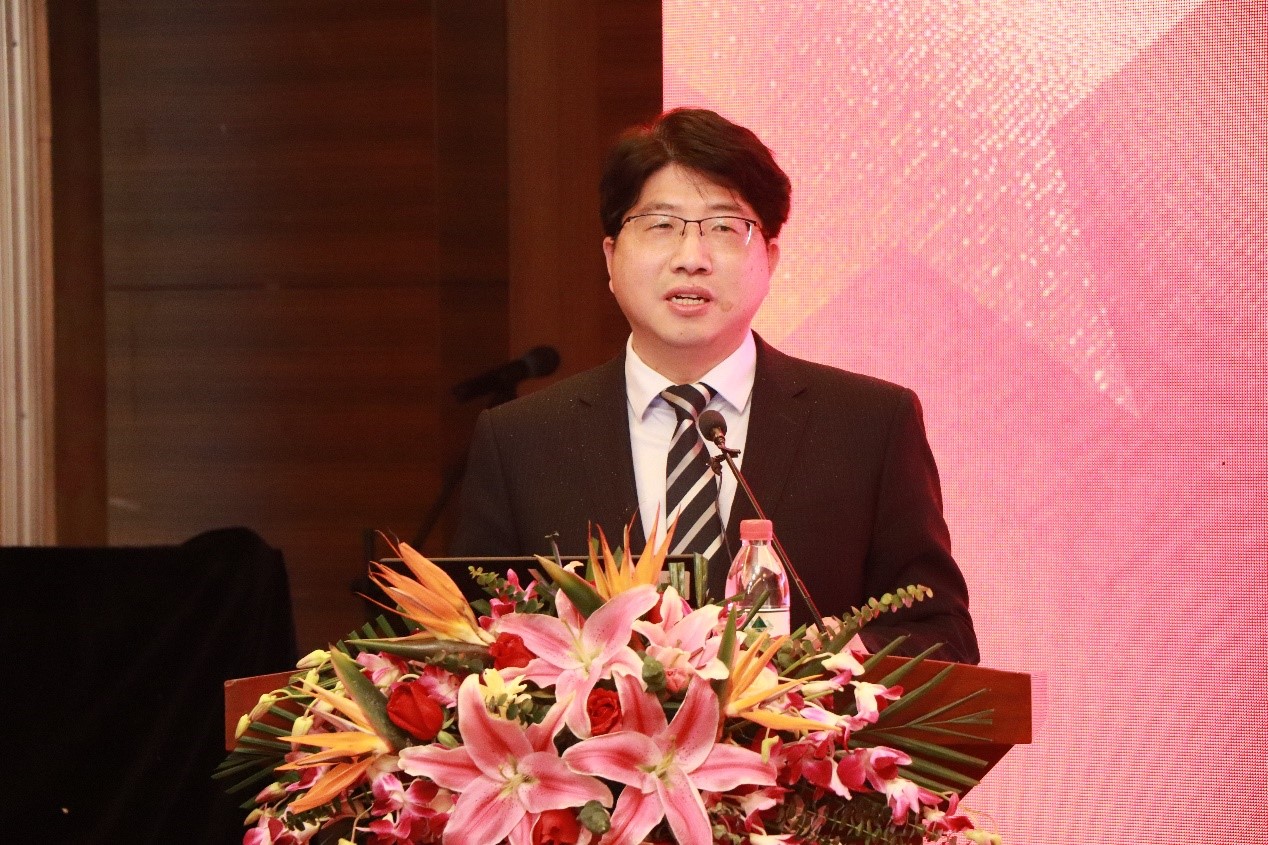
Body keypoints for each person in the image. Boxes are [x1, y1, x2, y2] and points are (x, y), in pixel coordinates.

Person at [450, 108, 978, 663]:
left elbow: (944, 635)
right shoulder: (521, 440)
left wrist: (842, 664)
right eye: (661, 225)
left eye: (725, 227)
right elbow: (472, 637)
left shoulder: (869, 426)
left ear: (769, 259)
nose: (691, 259)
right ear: (610, 257)